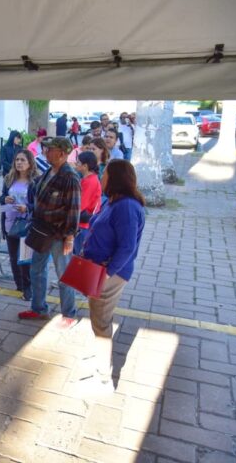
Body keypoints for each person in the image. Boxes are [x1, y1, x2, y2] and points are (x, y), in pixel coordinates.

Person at [83, 160, 146, 389]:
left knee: (101, 322)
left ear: (116, 178)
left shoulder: (126, 207)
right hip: (97, 268)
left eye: (105, 174)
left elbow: (127, 247)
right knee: (97, 318)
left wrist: (107, 274)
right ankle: (100, 360)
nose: (101, 176)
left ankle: (103, 377)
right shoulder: (113, 201)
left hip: (109, 273)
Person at [18, 137, 80, 327]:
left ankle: (69, 314)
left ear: (61, 153)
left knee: (64, 276)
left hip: (59, 235)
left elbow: (74, 209)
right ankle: (39, 309)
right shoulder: (49, 170)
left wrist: (70, 237)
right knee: (36, 270)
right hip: (41, 231)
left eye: (50, 149)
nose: (45, 151)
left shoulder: (70, 177)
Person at [0, 150, 39, 299]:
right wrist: (5, 199)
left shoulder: (35, 181)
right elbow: (2, 197)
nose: (19, 163)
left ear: (30, 163)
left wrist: (27, 207)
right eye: (17, 160)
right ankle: (19, 285)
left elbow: (40, 204)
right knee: (13, 258)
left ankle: (28, 289)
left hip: (26, 226)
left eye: (23, 160)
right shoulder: (9, 178)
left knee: (24, 258)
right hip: (10, 223)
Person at [73, 151, 102, 254]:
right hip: (84, 223)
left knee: (76, 256)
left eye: (78, 162)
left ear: (85, 166)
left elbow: (80, 205)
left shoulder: (89, 181)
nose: (76, 164)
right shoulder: (89, 179)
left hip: (83, 224)